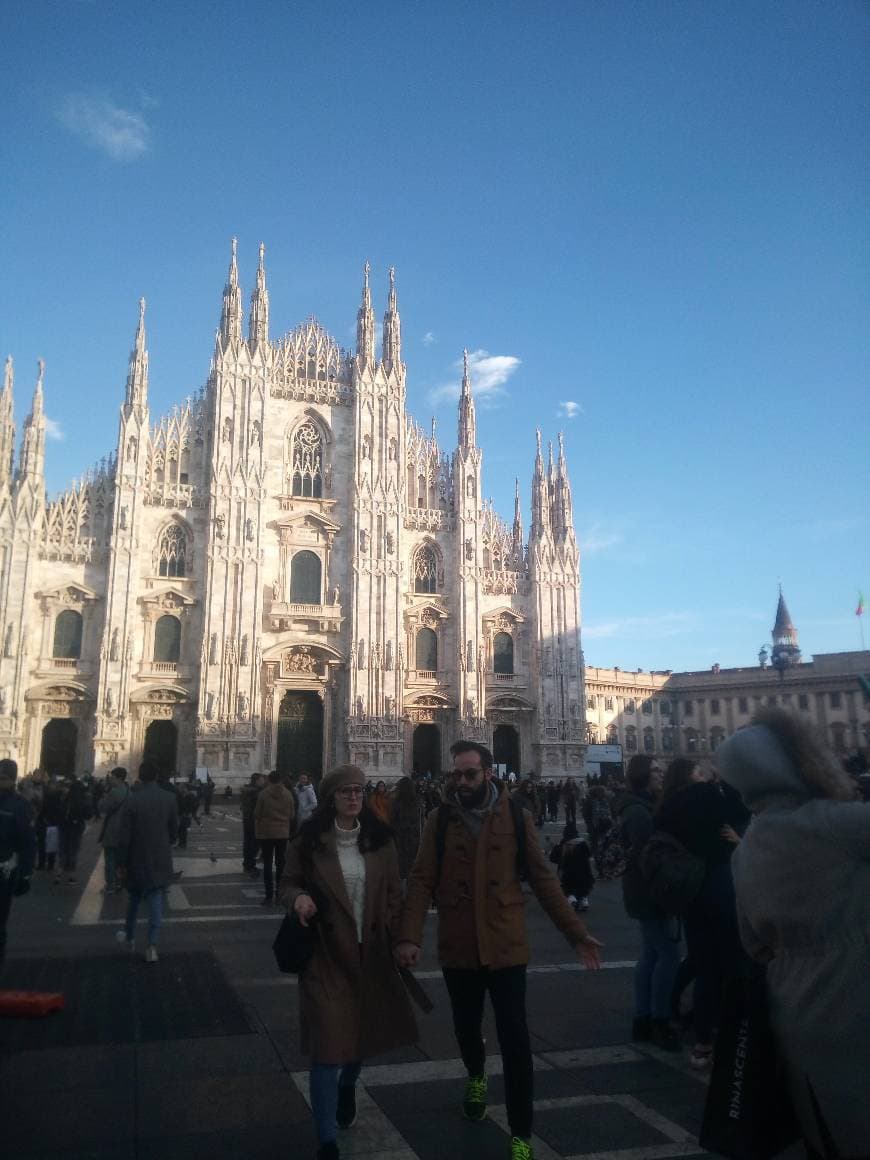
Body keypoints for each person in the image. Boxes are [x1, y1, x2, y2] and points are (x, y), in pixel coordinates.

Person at [396, 740, 602, 1160]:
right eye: (456, 774)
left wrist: (576, 932)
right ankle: (475, 1073)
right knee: (467, 1028)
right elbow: (420, 880)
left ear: (488, 773)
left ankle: (521, 1133)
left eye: (469, 773)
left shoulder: (514, 814)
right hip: (459, 942)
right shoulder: (439, 819)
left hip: (506, 945)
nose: (461, 781)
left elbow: (544, 880)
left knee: (516, 1040)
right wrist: (408, 935)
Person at [717, 709, 870, 1159]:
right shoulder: (837, 823)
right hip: (858, 994)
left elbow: (753, 943)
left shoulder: (746, 850)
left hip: (795, 1010)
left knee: (828, 1131)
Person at [279, 764, 418, 1160]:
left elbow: (395, 894)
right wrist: (297, 898)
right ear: (331, 798)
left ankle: (348, 1084)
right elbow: (288, 883)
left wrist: (404, 939)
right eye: (346, 791)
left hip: (369, 953)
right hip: (324, 956)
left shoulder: (379, 841)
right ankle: (326, 1141)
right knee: (327, 1048)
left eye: (358, 790)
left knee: (358, 1040)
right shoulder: (309, 841)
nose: (354, 797)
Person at [655, 756, 749, 1068]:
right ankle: (726, 1031)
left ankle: (701, 1038)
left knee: (702, 961)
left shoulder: (665, 805)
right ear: (691, 776)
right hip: (718, 886)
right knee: (730, 961)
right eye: (699, 771)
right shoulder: (707, 795)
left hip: (689, 891)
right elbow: (739, 810)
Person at [613, 755, 681, 1051]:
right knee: (667, 955)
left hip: (645, 890)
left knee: (652, 954)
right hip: (649, 891)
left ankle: (644, 1018)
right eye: (655, 770)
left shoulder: (638, 804)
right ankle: (659, 1018)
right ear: (642, 775)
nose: (660, 774)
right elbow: (647, 854)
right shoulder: (638, 810)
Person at [115, 760, 179, 962]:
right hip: (159, 856)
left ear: (140, 777)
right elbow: (174, 831)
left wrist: (121, 863)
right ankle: (151, 945)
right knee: (155, 899)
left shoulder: (132, 800)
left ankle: (130, 937)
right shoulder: (169, 798)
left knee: (133, 899)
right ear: (157, 776)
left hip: (136, 855)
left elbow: (124, 836)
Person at [0, 759, 36, 965]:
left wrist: (25, 874)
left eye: (3, 778)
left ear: (12, 780)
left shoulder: (19, 805)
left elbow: (28, 842)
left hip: (4, 872)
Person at [254, 769, 295, 905]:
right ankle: (280, 894)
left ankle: (268, 896)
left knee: (267, 863)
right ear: (281, 780)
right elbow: (292, 814)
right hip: (283, 833)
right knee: (281, 864)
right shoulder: (288, 794)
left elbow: (257, 813)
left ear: (269, 780)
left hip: (266, 833)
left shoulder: (263, 794)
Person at [98, 766, 130, 893]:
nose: (110, 779)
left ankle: (110, 885)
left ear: (119, 778)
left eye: (112, 777)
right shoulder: (129, 791)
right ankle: (119, 882)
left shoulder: (114, 792)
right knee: (120, 859)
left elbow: (102, 807)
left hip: (113, 828)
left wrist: (103, 796)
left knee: (110, 858)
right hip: (125, 829)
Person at [389, 775, 423, 883]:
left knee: (400, 870)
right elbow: (421, 822)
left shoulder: (396, 803)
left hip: (399, 841)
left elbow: (392, 822)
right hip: (414, 840)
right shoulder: (418, 803)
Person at [58, 775, 91, 884]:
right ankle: (71, 875)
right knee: (73, 850)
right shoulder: (83, 799)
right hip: (76, 828)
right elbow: (88, 815)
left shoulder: (66, 798)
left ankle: (59, 872)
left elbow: (60, 811)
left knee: (63, 849)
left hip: (64, 826)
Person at [240, 772, 265, 875]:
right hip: (254, 820)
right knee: (254, 844)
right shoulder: (257, 792)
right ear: (256, 781)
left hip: (246, 819)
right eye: (261, 780)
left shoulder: (245, 790)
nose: (263, 781)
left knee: (247, 842)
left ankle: (247, 863)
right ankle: (251, 865)